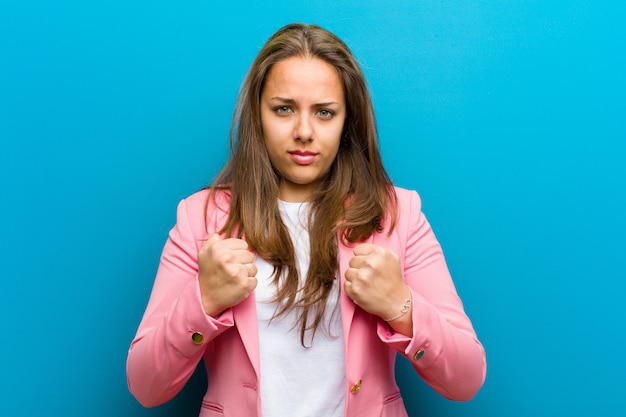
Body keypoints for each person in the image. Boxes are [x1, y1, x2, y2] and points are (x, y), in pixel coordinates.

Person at [126, 23, 486, 417]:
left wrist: (400, 306)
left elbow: (465, 379)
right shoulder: (201, 217)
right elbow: (146, 386)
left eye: (324, 113)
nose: (303, 132)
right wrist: (203, 300)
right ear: (257, 115)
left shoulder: (400, 215)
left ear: (347, 120)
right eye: (284, 109)